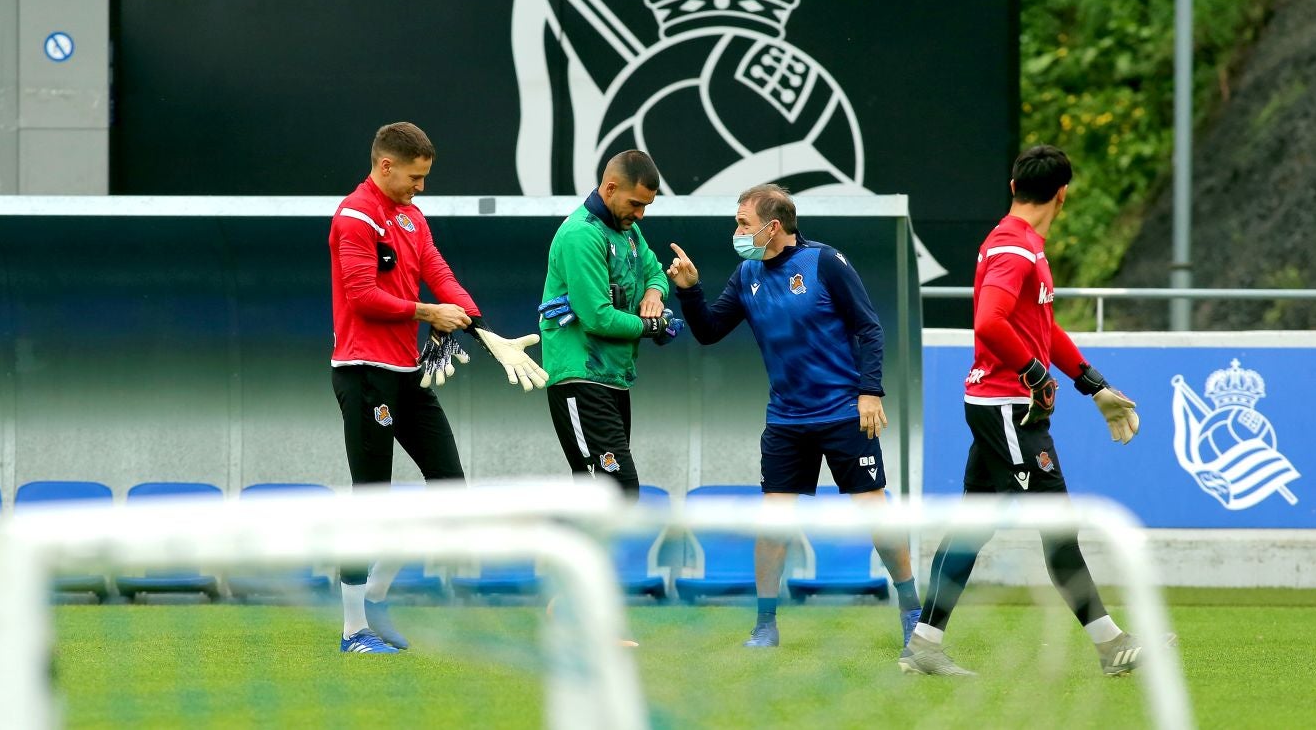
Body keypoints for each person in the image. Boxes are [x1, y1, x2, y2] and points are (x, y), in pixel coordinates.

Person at [897, 144, 1146, 678]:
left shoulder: (1011, 243)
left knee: (972, 527)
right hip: (1009, 409)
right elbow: (989, 323)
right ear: (1062, 194)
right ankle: (1110, 645)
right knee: (1057, 526)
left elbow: (1039, 328)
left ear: (1013, 187)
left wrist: (1090, 383)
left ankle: (923, 642)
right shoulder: (1017, 249)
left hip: (998, 405)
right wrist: (1034, 372)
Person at [666, 184, 922, 650]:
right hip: (786, 420)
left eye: (743, 223)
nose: (737, 231)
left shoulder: (825, 262)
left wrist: (870, 392)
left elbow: (870, 327)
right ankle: (765, 626)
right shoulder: (746, 275)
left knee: (876, 515)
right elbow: (707, 332)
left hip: (845, 412)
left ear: (773, 227)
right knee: (773, 524)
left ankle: (912, 616)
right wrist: (689, 290)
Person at [329, 121, 549, 655]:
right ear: (385, 166)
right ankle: (352, 630)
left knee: (450, 490)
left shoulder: (411, 217)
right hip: (363, 373)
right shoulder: (354, 217)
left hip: (407, 375)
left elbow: (442, 276)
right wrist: (430, 311)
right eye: (415, 176)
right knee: (370, 502)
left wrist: (483, 330)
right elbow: (361, 297)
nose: (421, 187)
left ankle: (375, 600)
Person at [537, 150, 679, 501]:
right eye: (635, 203)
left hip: (612, 377)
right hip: (580, 377)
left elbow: (656, 273)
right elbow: (598, 318)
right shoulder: (581, 235)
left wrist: (655, 295)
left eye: (646, 205)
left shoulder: (628, 231)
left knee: (612, 493)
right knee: (612, 490)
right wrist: (653, 327)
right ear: (610, 188)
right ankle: (566, 556)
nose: (640, 214)